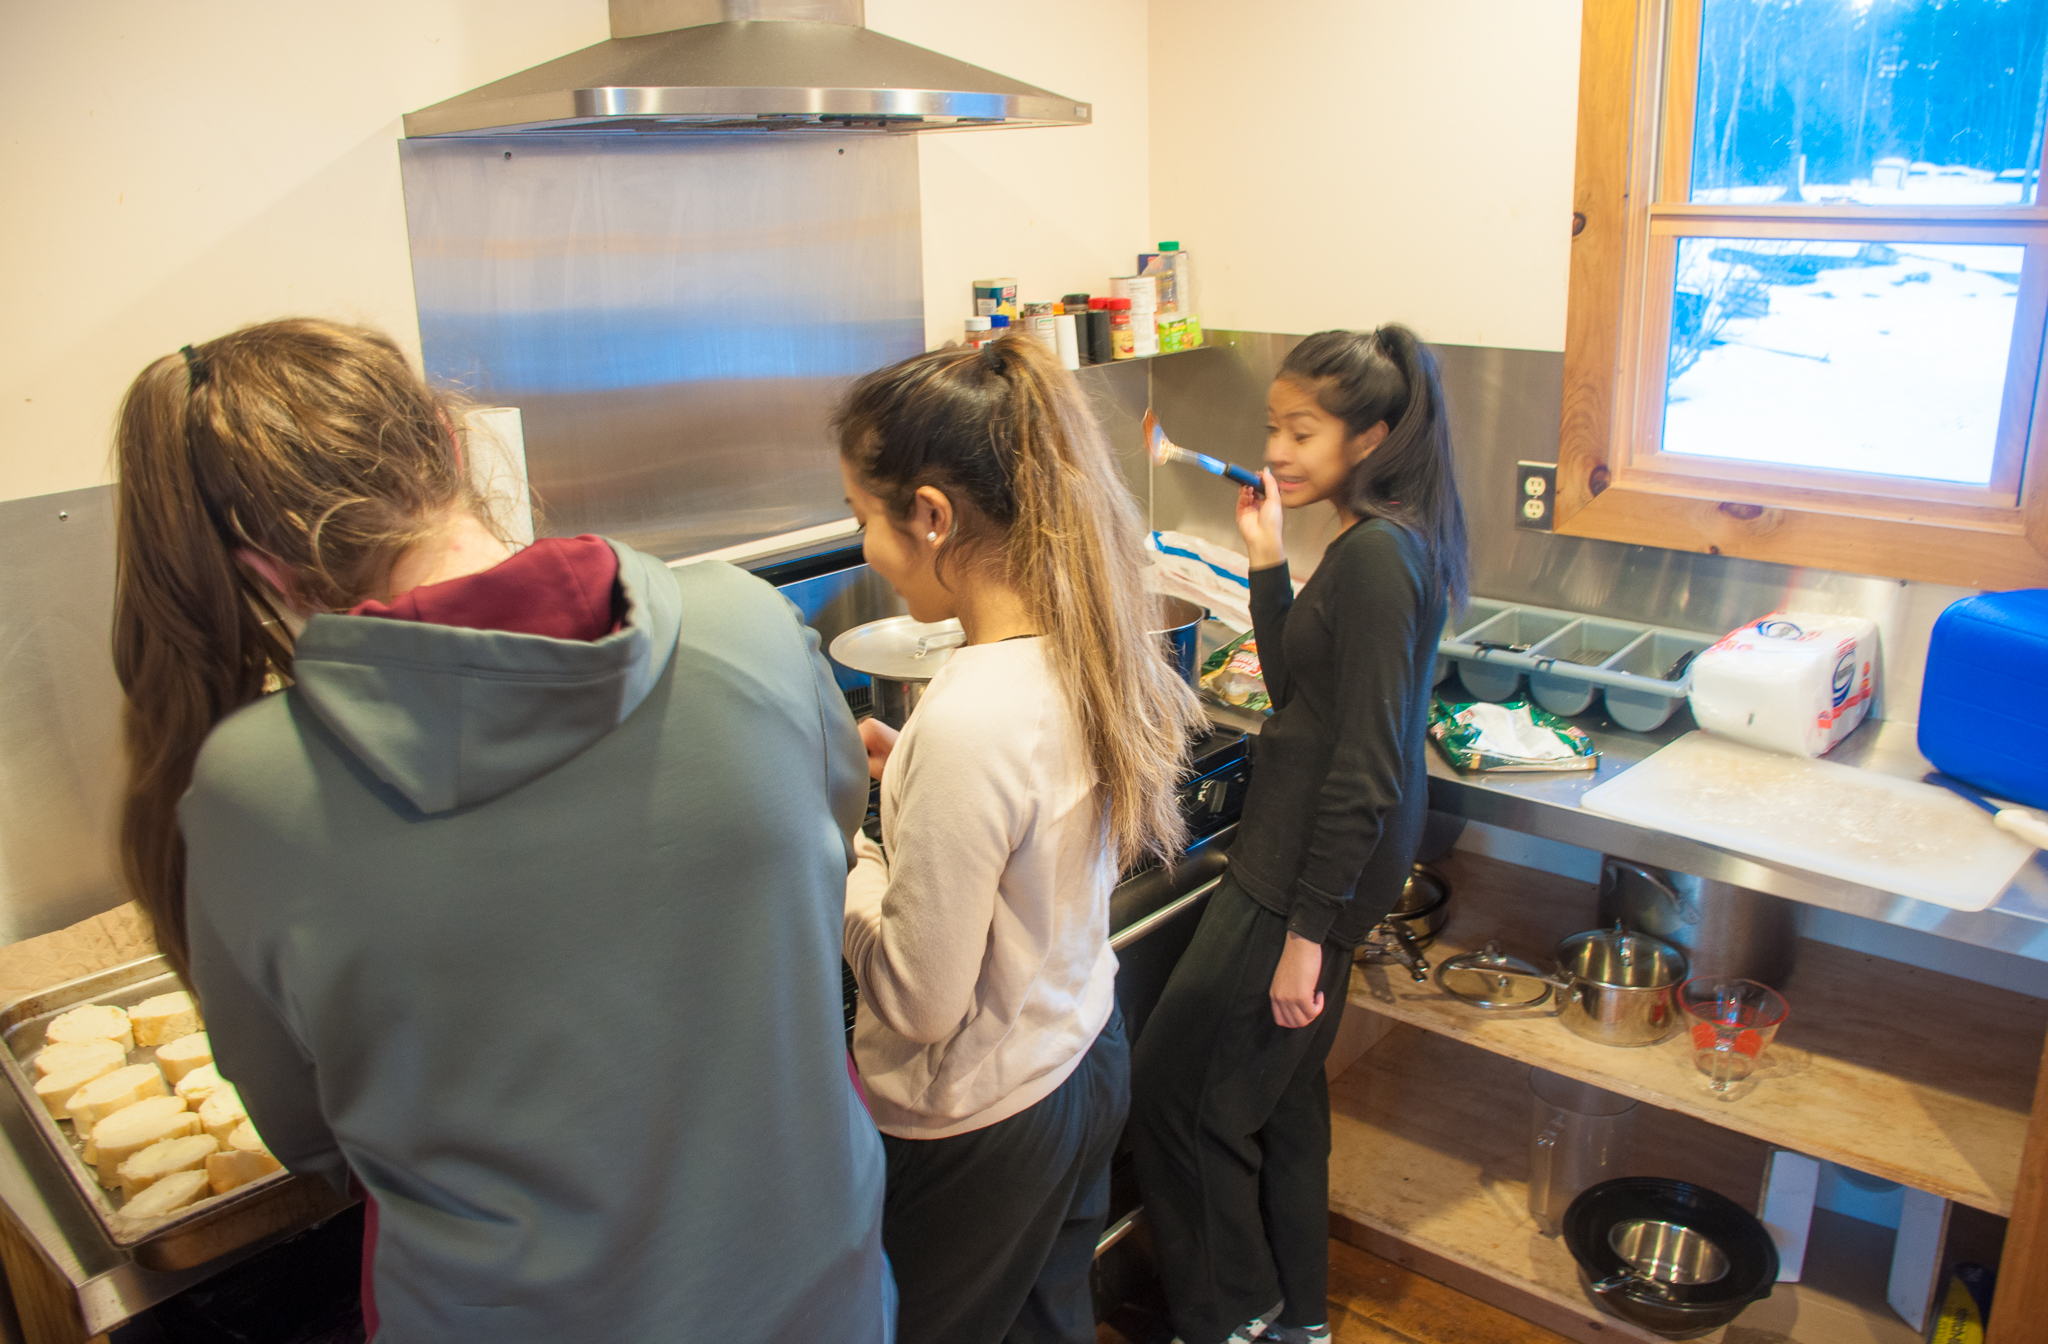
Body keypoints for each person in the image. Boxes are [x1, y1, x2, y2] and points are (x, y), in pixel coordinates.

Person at [110, 319, 893, 1344]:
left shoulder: (252, 790)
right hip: (821, 1290)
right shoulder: (747, 621)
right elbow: (821, 861)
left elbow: (311, 1134)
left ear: (265, 574)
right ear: (450, 441)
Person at [836, 333, 1201, 1344]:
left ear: (931, 516)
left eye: (862, 518)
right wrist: (909, 784)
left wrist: (840, 853)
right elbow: (1022, 825)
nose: (864, 547)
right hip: (1081, 1056)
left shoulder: (968, 718)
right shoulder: (1084, 641)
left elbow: (918, 1003)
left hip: (977, 1124)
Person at [1130, 326, 1469, 1344]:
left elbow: (1365, 766)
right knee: (1279, 1103)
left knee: (1178, 1099)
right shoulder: (1372, 540)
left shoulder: (1378, 560)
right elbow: (1295, 688)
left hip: (1296, 875)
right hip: (1307, 865)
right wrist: (1267, 559)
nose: (1275, 450)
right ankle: (1297, 1319)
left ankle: (1230, 1316)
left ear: (1370, 437)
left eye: (1302, 431)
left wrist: (1306, 934)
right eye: (1272, 426)